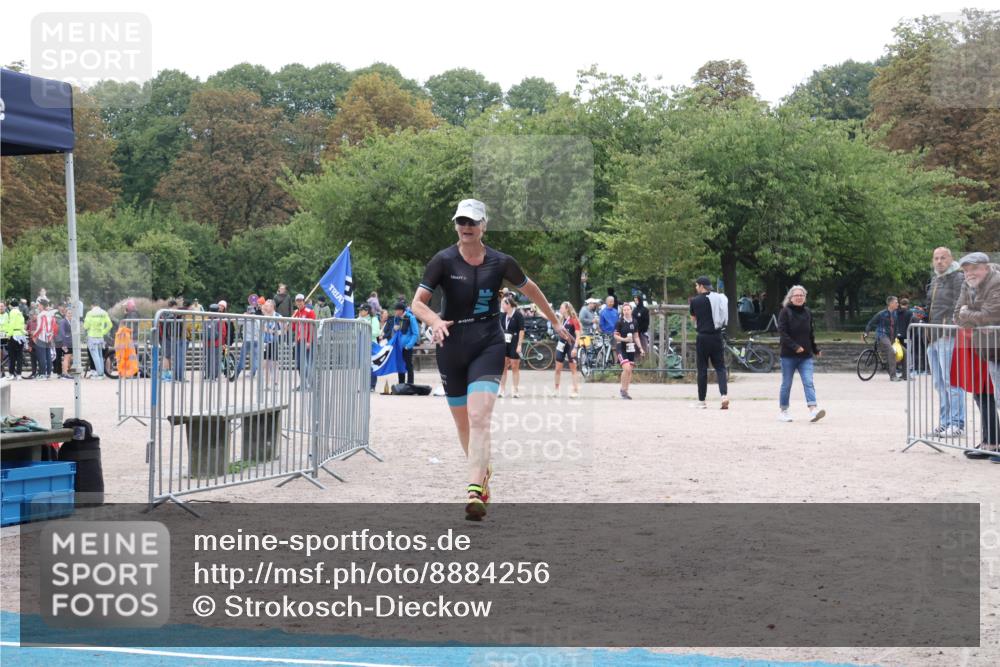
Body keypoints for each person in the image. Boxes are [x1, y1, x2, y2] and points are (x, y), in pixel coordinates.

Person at [410, 198, 570, 521]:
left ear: (484, 225)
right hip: (451, 347)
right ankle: (483, 469)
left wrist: (554, 320)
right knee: (464, 424)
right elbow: (417, 303)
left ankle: (473, 490)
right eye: (461, 222)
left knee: (480, 416)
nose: (466, 227)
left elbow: (532, 290)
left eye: (472, 222)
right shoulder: (442, 261)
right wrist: (435, 321)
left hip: (488, 344)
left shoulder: (501, 262)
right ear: (456, 225)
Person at [952, 252, 1000, 461]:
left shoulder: (996, 283)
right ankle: (992, 443)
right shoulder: (967, 285)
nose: (970, 274)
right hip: (986, 349)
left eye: (974, 269)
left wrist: (968, 314)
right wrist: (974, 318)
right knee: (986, 396)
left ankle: (994, 444)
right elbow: (956, 316)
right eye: (966, 270)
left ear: (986, 267)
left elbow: (991, 316)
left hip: (995, 346)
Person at [925, 247, 966, 437]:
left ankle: (957, 423)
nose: (939, 261)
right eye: (936, 258)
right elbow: (931, 307)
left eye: (943, 258)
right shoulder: (935, 279)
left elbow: (961, 303)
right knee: (939, 383)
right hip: (932, 336)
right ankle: (945, 421)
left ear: (951, 259)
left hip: (947, 336)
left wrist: (950, 326)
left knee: (952, 382)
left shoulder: (958, 278)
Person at [776, 286, 825, 422]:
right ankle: (784, 411)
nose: (799, 297)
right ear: (790, 298)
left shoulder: (808, 312)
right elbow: (782, 333)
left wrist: (815, 349)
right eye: (796, 295)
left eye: (802, 295)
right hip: (788, 356)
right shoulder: (785, 312)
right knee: (787, 384)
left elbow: (810, 333)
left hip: (805, 356)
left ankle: (813, 410)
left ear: (805, 298)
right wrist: (795, 346)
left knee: (808, 382)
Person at [690, 276, 729, 409]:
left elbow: (693, 318)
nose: (696, 288)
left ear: (701, 286)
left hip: (703, 337)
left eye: (696, 285)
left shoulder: (695, 301)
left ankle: (702, 401)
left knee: (702, 369)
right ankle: (724, 395)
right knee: (720, 367)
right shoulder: (719, 298)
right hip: (717, 336)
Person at [864, 296, 905, 381]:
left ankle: (905, 375)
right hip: (882, 336)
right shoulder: (881, 314)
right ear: (890, 304)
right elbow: (870, 323)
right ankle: (893, 376)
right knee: (891, 351)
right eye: (896, 302)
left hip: (892, 337)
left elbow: (896, 327)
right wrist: (866, 333)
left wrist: (896, 338)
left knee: (905, 352)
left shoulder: (895, 314)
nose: (898, 304)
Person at [614, 301, 643, 400]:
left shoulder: (634, 322)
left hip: (631, 348)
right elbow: (615, 336)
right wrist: (624, 339)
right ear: (622, 311)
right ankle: (622, 389)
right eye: (624, 310)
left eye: (628, 309)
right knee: (626, 368)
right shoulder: (620, 322)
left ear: (631, 310)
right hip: (621, 347)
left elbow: (636, 336)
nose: (626, 311)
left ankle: (626, 391)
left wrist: (640, 348)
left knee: (629, 370)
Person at [553, 301, 581, 398]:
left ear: (567, 309)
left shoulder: (574, 319)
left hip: (571, 345)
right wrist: (539, 312)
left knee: (573, 368)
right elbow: (549, 317)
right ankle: (556, 389)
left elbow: (578, 336)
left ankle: (575, 390)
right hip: (561, 344)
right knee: (557, 368)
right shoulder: (561, 319)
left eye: (561, 307)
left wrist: (575, 348)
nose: (560, 309)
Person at [498, 296, 525, 398]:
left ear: (508, 304)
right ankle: (502, 390)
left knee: (514, 366)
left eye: (503, 304)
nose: (502, 306)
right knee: (503, 367)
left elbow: (521, 331)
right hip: (504, 343)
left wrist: (519, 345)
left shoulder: (518, 315)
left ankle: (515, 390)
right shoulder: (502, 316)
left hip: (514, 342)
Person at [389, 301, 420, 385]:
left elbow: (415, 333)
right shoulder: (396, 318)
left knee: (408, 365)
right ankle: (401, 383)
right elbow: (395, 333)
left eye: (396, 310)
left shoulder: (411, 318)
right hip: (398, 347)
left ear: (401, 310)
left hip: (407, 347)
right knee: (400, 364)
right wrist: (394, 329)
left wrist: (409, 345)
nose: (395, 312)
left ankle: (410, 383)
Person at [291, 293, 316, 391]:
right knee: (299, 364)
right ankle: (303, 383)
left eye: (301, 300)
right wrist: (291, 320)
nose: (299, 302)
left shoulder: (310, 312)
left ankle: (310, 384)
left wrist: (309, 341)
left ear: (304, 301)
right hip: (298, 340)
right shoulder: (296, 313)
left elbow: (312, 327)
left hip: (307, 341)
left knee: (307, 363)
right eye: (297, 301)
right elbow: (293, 328)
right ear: (295, 302)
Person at [83, 300, 113, 380]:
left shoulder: (89, 313)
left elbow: (86, 326)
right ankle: (101, 373)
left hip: (92, 336)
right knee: (100, 356)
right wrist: (103, 332)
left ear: (92, 305)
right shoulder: (104, 313)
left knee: (95, 356)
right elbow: (110, 325)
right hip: (100, 337)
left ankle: (99, 374)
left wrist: (87, 327)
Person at [31, 298, 56, 380]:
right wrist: (51, 337)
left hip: (41, 338)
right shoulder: (51, 315)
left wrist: (34, 335)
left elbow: (40, 328)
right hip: (49, 337)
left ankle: (42, 374)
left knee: (41, 357)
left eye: (39, 305)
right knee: (48, 356)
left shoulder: (41, 315)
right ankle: (48, 373)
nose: (38, 306)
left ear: (41, 305)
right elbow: (53, 327)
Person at [260, 299, 282, 390]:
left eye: (267, 305)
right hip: (265, 342)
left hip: (274, 342)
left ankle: (276, 384)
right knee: (265, 364)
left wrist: (273, 332)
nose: (265, 306)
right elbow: (261, 328)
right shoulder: (264, 316)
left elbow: (283, 330)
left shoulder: (278, 316)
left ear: (272, 306)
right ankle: (267, 384)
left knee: (274, 363)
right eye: (265, 305)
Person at [3, 299, 27, 379]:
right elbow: (22, 325)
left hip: (13, 336)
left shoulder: (12, 312)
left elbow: (11, 324)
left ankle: (11, 374)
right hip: (20, 336)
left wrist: (8, 335)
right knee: (19, 356)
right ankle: (19, 374)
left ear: (11, 305)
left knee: (12, 356)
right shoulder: (20, 313)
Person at [54, 304, 74, 379]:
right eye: (69, 313)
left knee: (68, 357)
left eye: (71, 313)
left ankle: (66, 372)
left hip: (69, 342)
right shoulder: (63, 321)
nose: (70, 314)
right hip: (64, 342)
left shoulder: (70, 321)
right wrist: (64, 344)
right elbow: (62, 333)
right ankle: (64, 373)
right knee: (66, 357)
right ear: (65, 313)